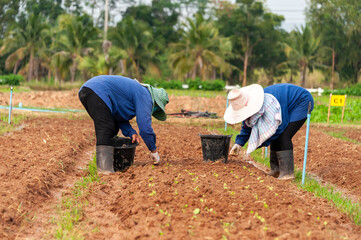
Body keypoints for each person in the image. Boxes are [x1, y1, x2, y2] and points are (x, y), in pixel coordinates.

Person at [78, 75, 169, 173]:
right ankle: (104, 170)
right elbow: (145, 128)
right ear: (155, 102)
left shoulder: (139, 92)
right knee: (106, 127)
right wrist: (153, 150)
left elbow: (117, 116)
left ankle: (112, 163)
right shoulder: (145, 96)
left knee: (112, 126)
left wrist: (130, 132)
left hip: (87, 90)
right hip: (97, 90)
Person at [224, 83, 314, 180]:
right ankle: (276, 170)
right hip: (287, 101)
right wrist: (238, 144)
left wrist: (261, 142)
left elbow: (280, 126)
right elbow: (247, 126)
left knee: (283, 135)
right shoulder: (250, 105)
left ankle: (287, 173)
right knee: (276, 136)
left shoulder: (270, 104)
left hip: (301, 101)